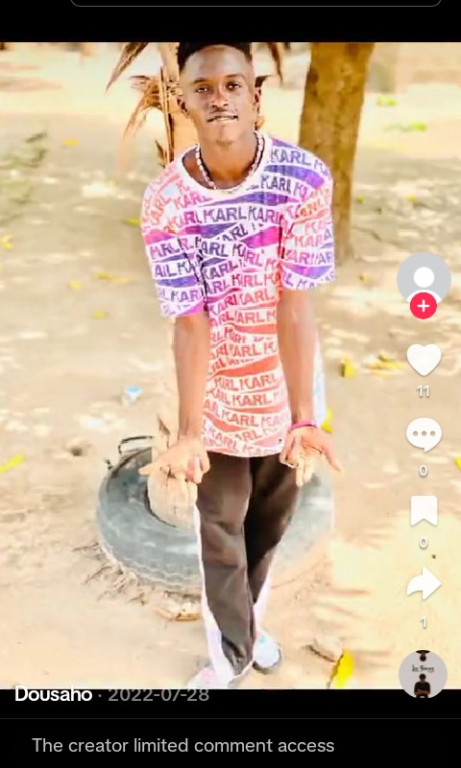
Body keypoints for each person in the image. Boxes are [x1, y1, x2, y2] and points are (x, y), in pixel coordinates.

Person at [139, 41, 342, 689]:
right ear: (183, 101)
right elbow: (190, 321)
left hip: (287, 394)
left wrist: (303, 415)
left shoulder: (304, 180)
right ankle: (229, 655)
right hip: (217, 400)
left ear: (256, 95)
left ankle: (249, 630)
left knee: (268, 528)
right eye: (203, 88)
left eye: (233, 85)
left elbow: (295, 304)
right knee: (221, 531)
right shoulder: (165, 201)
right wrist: (190, 431)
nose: (219, 98)